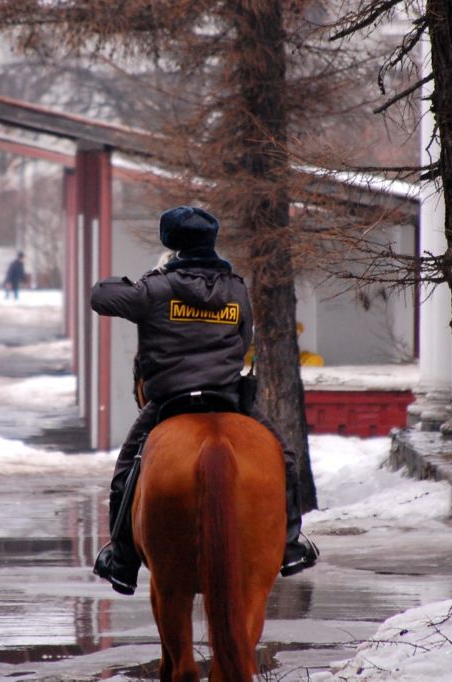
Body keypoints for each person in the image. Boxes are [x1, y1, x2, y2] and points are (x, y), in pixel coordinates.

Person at [90, 205, 319, 595]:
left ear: (170, 243)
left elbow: (101, 296)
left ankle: (122, 558)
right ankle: (290, 544)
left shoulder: (157, 288)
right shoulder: (236, 288)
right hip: (227, 398)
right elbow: (244, 339)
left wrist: (145, 282)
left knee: (126, 473)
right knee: (285, 460)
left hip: (169, 402)